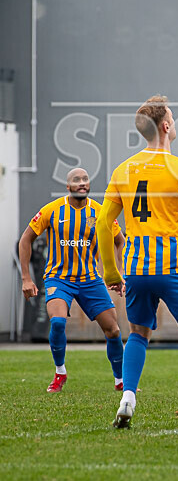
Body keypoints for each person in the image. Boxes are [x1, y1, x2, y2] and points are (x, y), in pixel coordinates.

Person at [97, 95, 178, 429]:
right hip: (173, 266)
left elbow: (103, 223)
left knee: (138, 334)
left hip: (136, 268)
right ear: (167, 126)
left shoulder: (123, 169)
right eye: (173, 116)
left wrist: (112, 271)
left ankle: (128, 398)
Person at [19, 168, 126, 393]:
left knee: (114, 330)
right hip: (59, 278)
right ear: (68, 187)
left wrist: (118, 273)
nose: (82, 183)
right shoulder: (52, 210)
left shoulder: (101, 212)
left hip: (90, 279)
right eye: (76, 180)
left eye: (85, 179)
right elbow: (25, 239)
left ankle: (120, 381)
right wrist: (26, 278)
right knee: (57, 322)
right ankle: (60, 373)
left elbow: (120, 240)